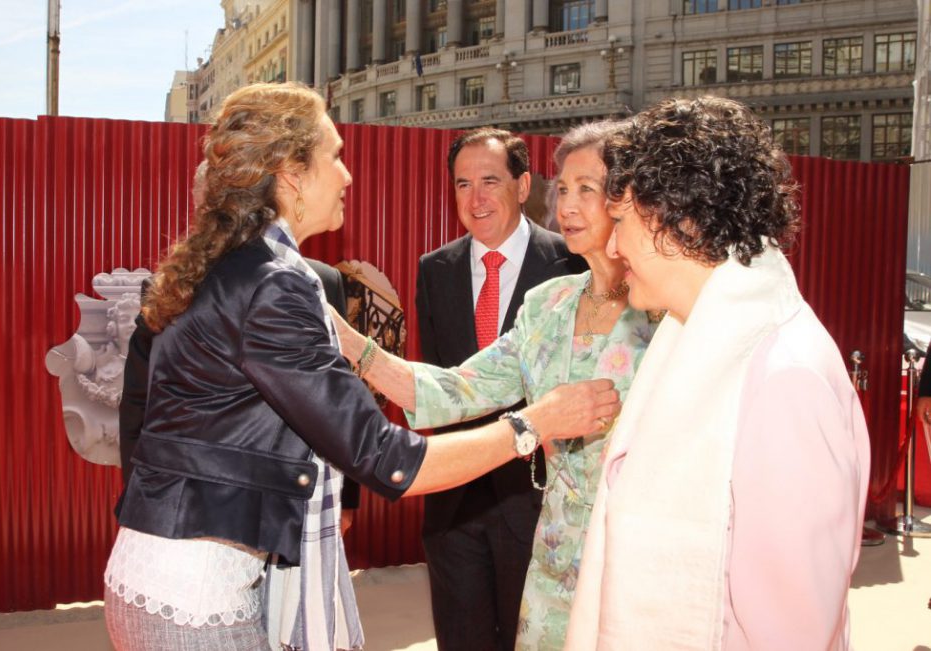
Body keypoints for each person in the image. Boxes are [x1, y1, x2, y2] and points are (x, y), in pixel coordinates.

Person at [103, 82, 619, 651]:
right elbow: (385, 456)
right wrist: (533, 424)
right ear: (291, 174)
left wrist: (353, 345)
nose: (348, 175)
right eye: (336, 157)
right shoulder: (273, 281)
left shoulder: (238, 264)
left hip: (177, 576)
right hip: (196, 596)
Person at [332, 120, 656, 650]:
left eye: (587, 190)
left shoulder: (666, 312)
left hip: (629, 560)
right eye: (565, 191)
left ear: (629, 199)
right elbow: (456, 389)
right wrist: (349, 341)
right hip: (551, 562)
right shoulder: (548, 306)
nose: (568, 207)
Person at [564, 96, 870, 650]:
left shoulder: (784, 379)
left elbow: (792, 632)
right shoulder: (692, 337)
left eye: (620, 222)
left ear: (676, 221)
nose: (610, 245)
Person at [413, 127, 586, 651]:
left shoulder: (570, 263)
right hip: (455, 508)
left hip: (537, 504)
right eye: (463, 184)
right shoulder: (434, 270)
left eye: (490, 180)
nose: (476, 198)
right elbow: (442, 384)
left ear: (524, 183)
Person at [118, 163, 360, 527]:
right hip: (201, 504)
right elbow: (140, 400)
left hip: (302, 493)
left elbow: (341, 395)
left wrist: (346, 499)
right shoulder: (169, 289)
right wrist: (140, 491)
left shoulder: (321, 282)